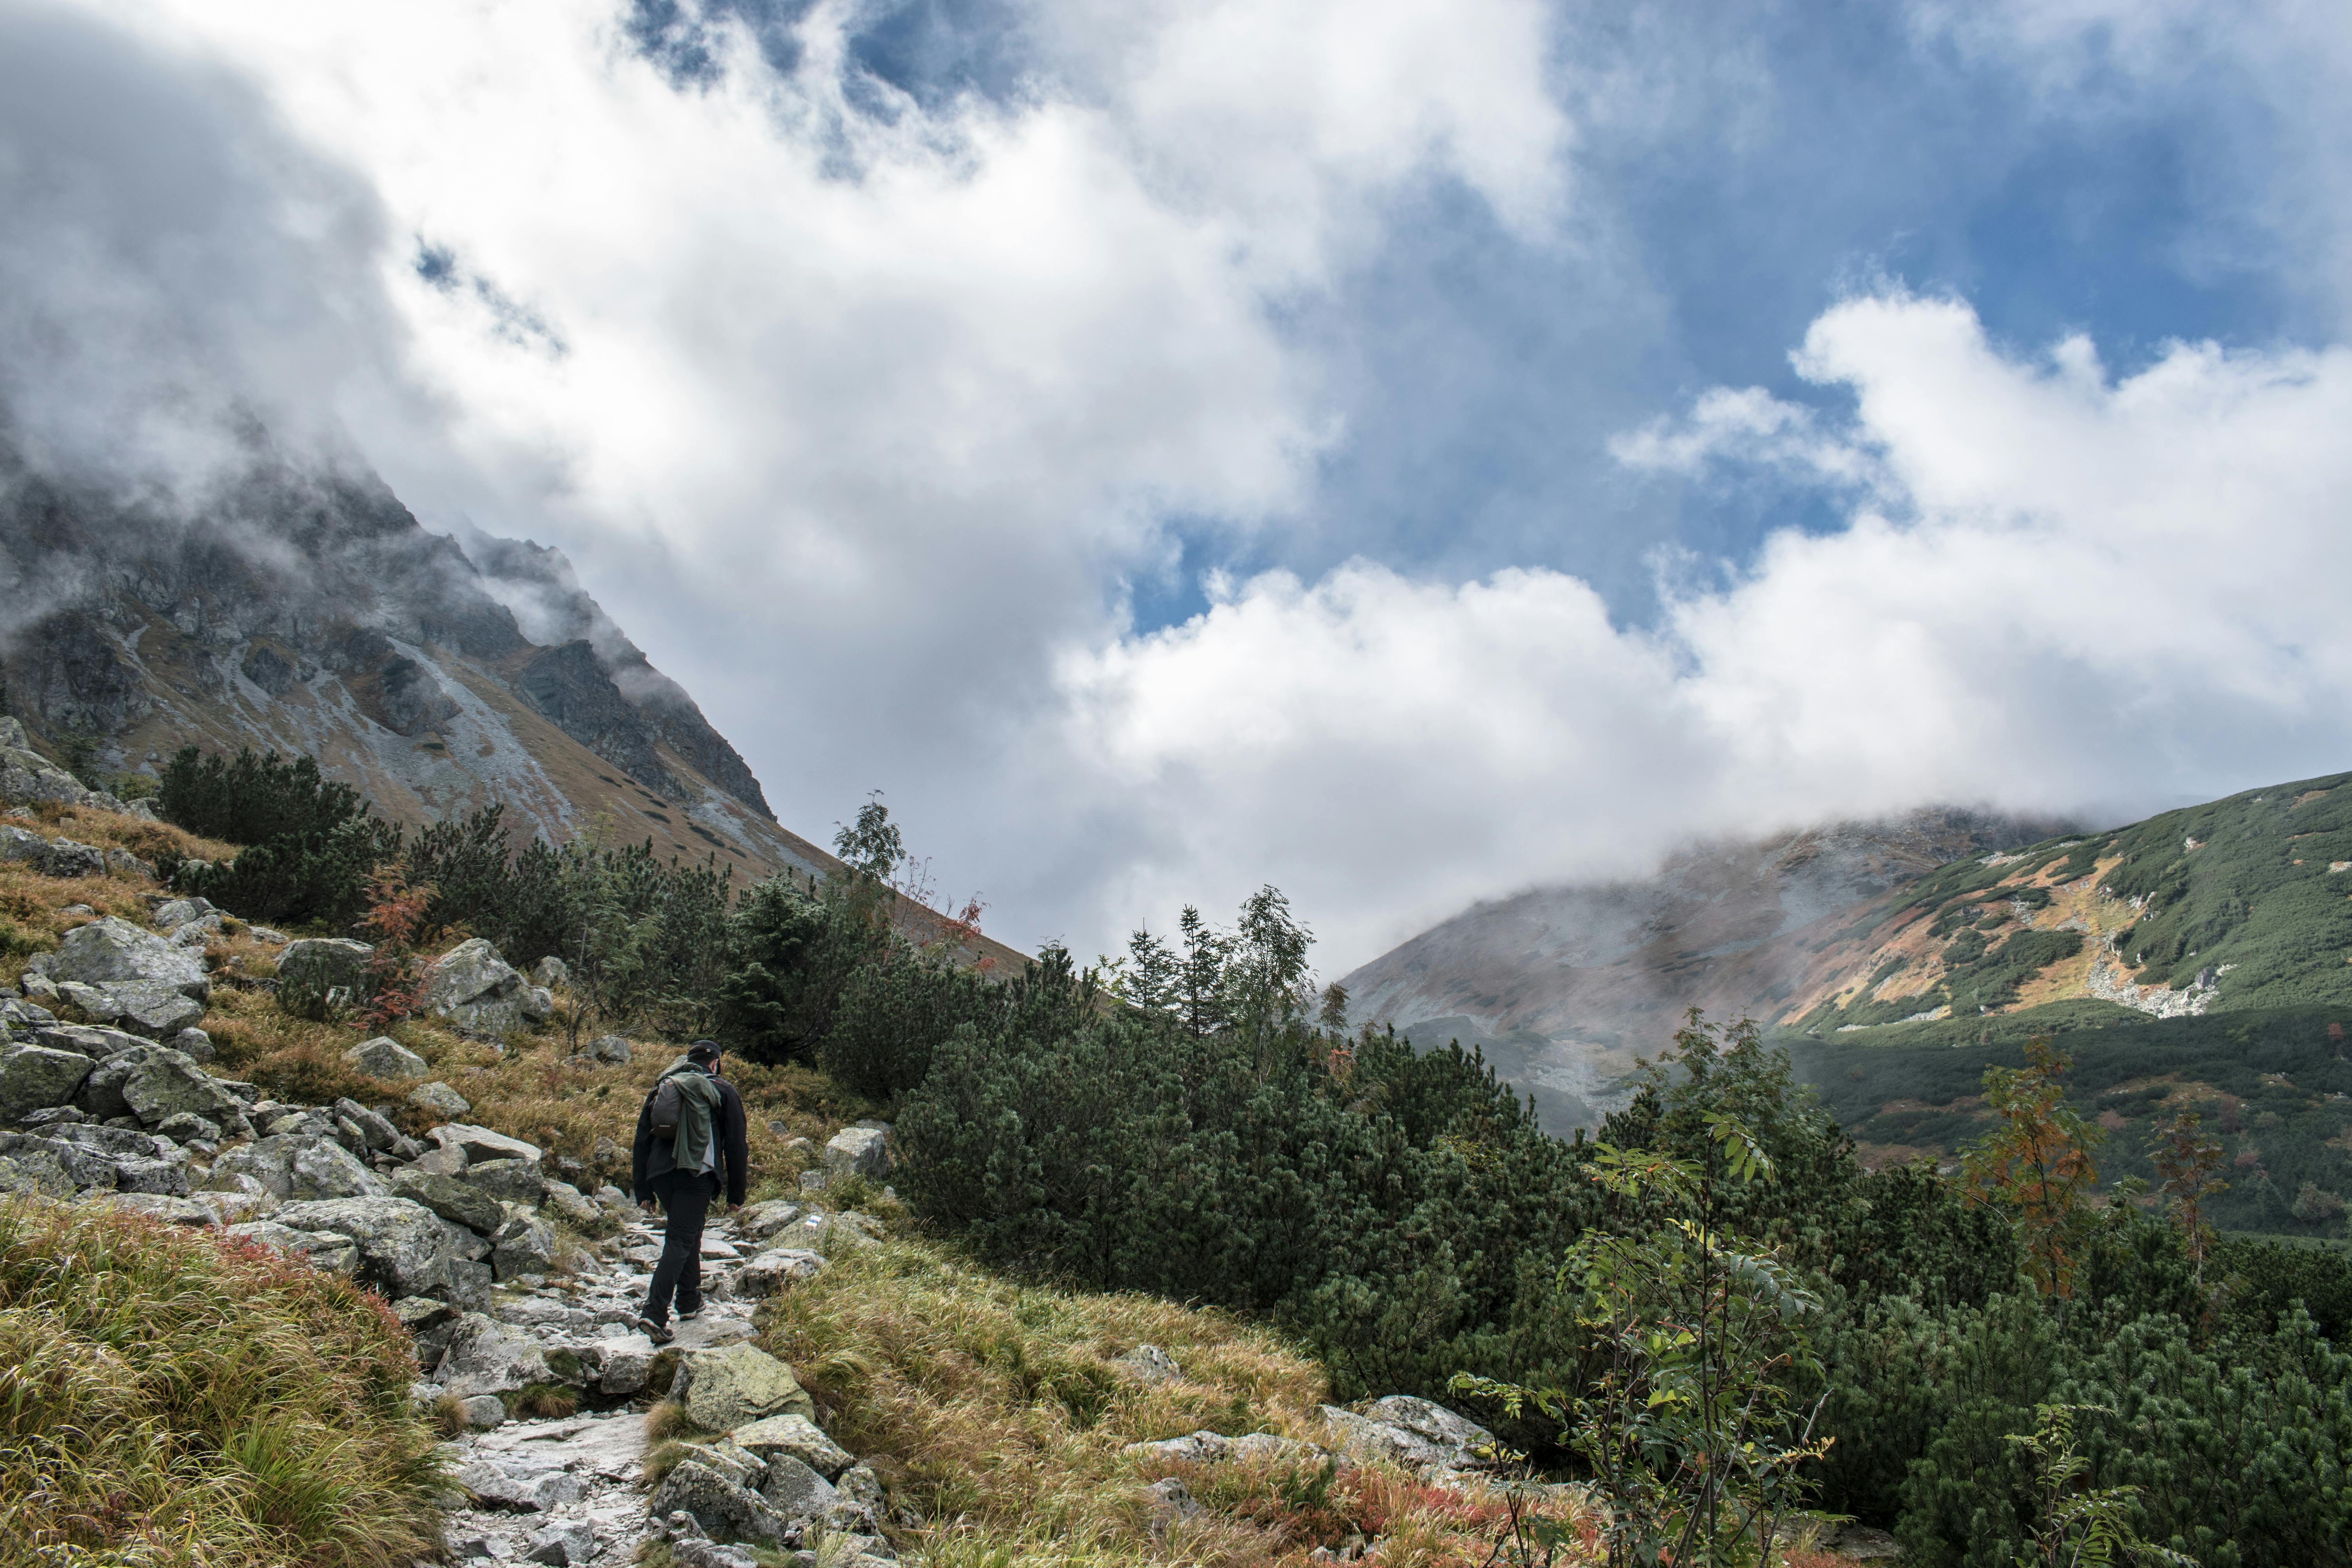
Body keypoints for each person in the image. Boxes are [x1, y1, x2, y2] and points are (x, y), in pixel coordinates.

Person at [630, 1038, 748, 1344]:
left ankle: (689, 1301)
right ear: (715, 1063)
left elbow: (642, 1140)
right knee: (681, 1239)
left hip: (660, 1174)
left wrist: (643, 1190)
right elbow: (736, 1146)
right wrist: (737, 1195)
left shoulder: (664, 1087)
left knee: (689, 1232)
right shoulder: (723, 1090)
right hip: (695, 1174)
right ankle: (654, 1313)